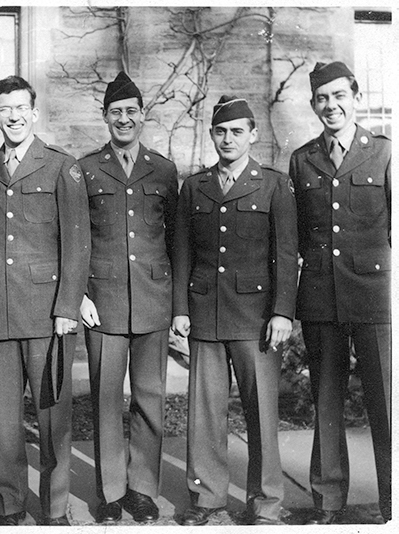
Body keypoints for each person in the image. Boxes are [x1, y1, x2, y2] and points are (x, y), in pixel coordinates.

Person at [172, 96, 298, 526]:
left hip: (256, 316)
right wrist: (179, 310)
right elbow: (183, 253)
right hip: (205, 311)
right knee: (205, 413)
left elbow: (286, 251)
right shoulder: (195, 186)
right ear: (212, 135)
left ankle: (265, 504)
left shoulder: (274, 185)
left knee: (261, 411)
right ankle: (206, 499)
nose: (228, 139)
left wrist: (283, 311)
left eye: (237, 131)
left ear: (253, 135)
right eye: (221, 132)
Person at [0, 75, 90, 526]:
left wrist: (67, 307)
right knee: (4, 424)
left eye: (21, 107)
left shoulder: (62, 167)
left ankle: (56, 508)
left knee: (52, 420)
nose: (14, 116)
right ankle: (10, 506)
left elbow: (77, 244)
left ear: (34, 112)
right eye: (5, 109)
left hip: (48, 316)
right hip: (1, 315)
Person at [289, 61, 391, 524]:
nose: (331, 106)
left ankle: (394, 501)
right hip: (320, 299)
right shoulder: (302, 158)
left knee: (387, 401)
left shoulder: (385, 155)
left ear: (355, 97)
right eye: (322, 99)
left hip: (375, 298)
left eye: (339, 96)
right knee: (325, 400)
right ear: (314, 106)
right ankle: (328, 501)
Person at [79, 71, 178, 524]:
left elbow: (176, 240)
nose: (124, 119)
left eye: (131, 111)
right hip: (103, 301)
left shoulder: (163, 169)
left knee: (149, 397)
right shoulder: (85, 168)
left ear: (143, 116)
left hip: (153, 299)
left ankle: (142, 489)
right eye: (115, 112)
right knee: (104, 399)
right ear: (105, 117)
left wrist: (178, 307)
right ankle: (110, 491)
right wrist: (80, 294)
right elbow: (77, 238)